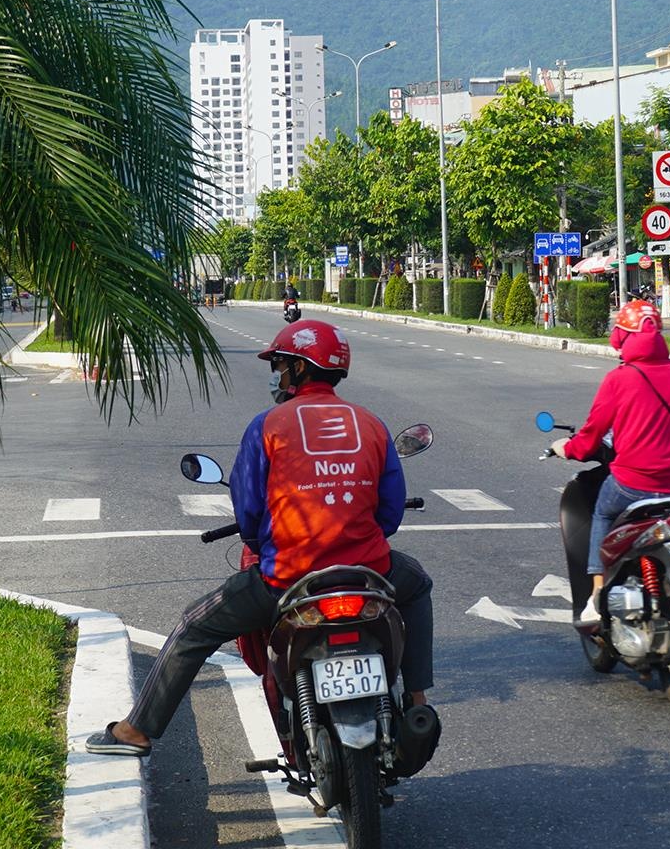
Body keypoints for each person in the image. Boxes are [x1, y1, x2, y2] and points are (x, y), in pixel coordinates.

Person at [86, 320, 436, 756]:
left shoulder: (267, 426)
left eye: (281, 364)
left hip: (286, 579)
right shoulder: (371, 423)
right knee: (417, 585)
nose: (277, 373)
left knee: (194, 626)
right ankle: (418, 705)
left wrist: (268, 538)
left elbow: (249, 517)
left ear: (300, 368)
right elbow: (389, 514)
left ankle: (137, 730)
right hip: (369, 573)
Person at [549, 299, 670, 625]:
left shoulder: (619, 379)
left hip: (632, 485)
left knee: (602, 513)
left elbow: (592, 435)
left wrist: (568, 448)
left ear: (623, 338)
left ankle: (596, 595)